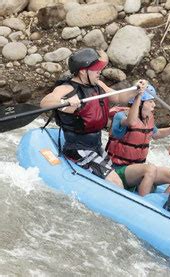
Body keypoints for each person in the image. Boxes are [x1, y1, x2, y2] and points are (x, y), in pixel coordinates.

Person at [40, 48, 147, 188]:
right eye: (96, 69)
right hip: (77, 148)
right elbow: (44, 103)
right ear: (83, 71)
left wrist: (136, 90)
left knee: (114, 177)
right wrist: (64, 103)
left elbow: (119, 97)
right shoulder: (67, 88)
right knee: (115, 182)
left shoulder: (98, 85)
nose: (99, 72)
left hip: (96, 146)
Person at [106, 84, 170, 196]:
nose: (154, 105)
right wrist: (139, 94)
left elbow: (156, 134)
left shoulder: (147, 118)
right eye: (150, 101)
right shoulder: (120, 116)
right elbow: (131, 122)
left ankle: (161, 206)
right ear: (140, 103)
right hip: (119, 170)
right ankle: (143, 204)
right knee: (149, 169)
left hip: (137, 168)